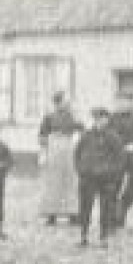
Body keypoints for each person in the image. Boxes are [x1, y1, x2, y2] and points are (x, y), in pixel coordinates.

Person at [74, 106, 127, 248]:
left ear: (107, 120)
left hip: (106, 179)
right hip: (88, 177)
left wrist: (113, 175)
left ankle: (103, 238)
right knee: (85, 207)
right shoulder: (86, 135)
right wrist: (81, 170)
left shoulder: (113, 137)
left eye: (101, 119)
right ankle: (83, 236)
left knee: (106, 209)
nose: (98, 122)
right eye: (96, 119)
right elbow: (77, 154)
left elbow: (120, 159)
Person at [37, 93, 80, 226]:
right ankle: (51, 215)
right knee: (53, 183)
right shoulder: (49, 117)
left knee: (70, 182)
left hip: (69, 149)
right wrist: (44, 151)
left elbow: (80, 129)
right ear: (57, 103)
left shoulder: (72, 115)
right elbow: (42, 135)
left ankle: (73, 214)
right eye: (64, 101)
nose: (66, 104)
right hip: (54, 149)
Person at [109, 95, 133, 232]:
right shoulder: (112, 119)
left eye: (126, 102)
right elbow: (108, 137)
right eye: (120, 101)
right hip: (117, 159)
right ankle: (112, 221)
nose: (123, 104)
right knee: (113, 189)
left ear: (131, 103)